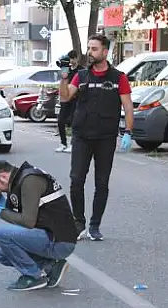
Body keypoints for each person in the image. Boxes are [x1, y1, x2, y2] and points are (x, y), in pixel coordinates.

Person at [58, 34, 135, 241]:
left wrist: (128, 132)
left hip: (105, 138)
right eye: (89, 48)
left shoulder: (119, 78)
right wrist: (64, 78)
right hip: (82, 135)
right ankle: (79, 222)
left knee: (102, 183)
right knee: (76, 180)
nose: (89, 53)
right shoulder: (81, 76)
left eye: (93, 49)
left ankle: (94, 226)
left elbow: (128, 106)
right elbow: (65, 97)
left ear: (104, 52)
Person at [0, 159, 78, 291]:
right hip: (50, 234)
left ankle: (34, 276)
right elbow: (24, 215)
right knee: (3, 255)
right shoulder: (19, 180)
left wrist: (2, 213)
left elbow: (27, 221)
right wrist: (4, 206)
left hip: (60, 241)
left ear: (3, 176)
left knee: (2, 234)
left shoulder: (29, 181)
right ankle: (51, 266)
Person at [55, 50, 84, 153]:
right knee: (60, 121)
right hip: (65, 99)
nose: (71, 61)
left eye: (73, 58)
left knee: (73, 121)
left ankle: (72, 144)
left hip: (76, 99)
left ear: (77, 58)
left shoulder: (81, 71)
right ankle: (63, 143)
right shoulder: (67, 70)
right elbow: (63, 82)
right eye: (70, 58)